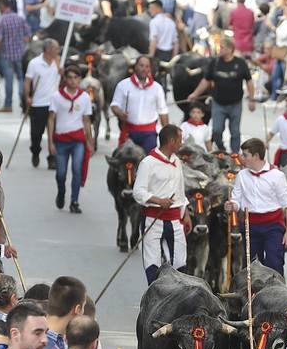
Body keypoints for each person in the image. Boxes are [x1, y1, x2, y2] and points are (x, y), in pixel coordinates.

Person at [226, 138, 287, 276]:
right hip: (249, 226)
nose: (242, 158)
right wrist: (232, 205)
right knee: (251, 267)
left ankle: (278, 296)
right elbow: (237, 200)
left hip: (273, 226)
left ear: (256, 156)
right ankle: (253, 296)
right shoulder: (241, 175)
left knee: (274, 263)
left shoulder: (277, 176)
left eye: (245, 155)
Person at [133, 124, 191, 280]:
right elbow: (138, 192)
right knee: (152, 263)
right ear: (171, 141)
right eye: (180, 140)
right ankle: (155, 296)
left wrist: (185, 212)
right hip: (153, 218)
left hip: (174, 220)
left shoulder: (176, 161)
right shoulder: (148, 163)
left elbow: (180, 190)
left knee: (180, 263)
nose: (182, 143)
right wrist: (159, 201)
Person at [187, 37, 255, 153]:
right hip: (218, 103)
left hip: (235, 104)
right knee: (217, 130)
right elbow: (206, 80)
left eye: (222, 47)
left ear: (230, 49)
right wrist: (195, 94)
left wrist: (251, 99)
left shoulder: (240, 63)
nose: (220, 49)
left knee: (235, 132)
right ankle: (221, 149)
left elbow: (249, 81)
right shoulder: (215, 63)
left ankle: (235, 154)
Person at [47, 65, 94, 215]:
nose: (73, 81)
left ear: (80, 79)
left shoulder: (85, 97)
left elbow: (87, 120)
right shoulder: (56, 97)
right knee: (61, 173)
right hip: (61, 140)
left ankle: (74, 201)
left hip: (78, 140)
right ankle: (61, 192)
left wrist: (90, 142)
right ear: (65, 79)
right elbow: (51, 120)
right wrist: (50, 142)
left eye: (76, 78)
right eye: (70, 78)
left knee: (76, 170)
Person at [109, 55, 170, 153]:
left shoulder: (157, 88)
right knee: (124, 163)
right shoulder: (123, 85)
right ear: (135, 67)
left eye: (147, 66)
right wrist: (120, 113)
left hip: (149, 134)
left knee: (148, 163)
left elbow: (163, 111)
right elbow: (114, 105)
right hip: (129, 132)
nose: (144, 69)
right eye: (141, 66)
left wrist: (167, 136)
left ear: (150, 68)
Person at [25, 39, 62, 169]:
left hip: (54, 104)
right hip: (38, 103)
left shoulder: (58, 62)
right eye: (56, 48)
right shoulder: (34, 63)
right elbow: (27, 81)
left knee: (55, 133)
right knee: (36, 133)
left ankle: (52, 158)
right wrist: (27, 97)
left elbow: (63, 75)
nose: (58, 51)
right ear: (48, 50)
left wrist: (59, 66)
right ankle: (35, 151)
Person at [0, 0, 31, 114]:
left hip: (6, 54)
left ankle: (8, 105)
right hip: (20, 53)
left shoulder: (0, 20)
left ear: (1, 6)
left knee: (9, 79)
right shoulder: (19, 18)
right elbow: (28, 34)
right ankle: (23, 101)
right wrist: (21, 42)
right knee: (21, 78)